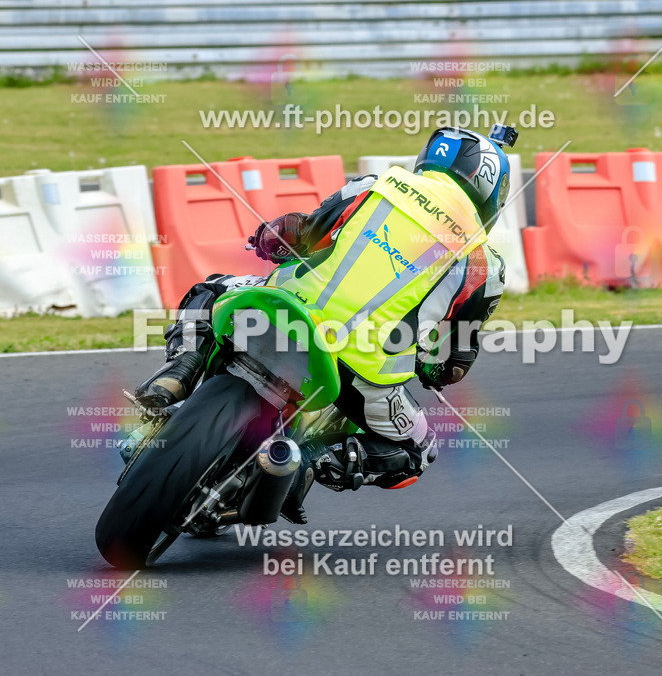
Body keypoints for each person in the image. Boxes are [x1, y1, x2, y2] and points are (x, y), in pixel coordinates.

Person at [136, 125, 517, 523]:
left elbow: (300, 232)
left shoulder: (376, 185)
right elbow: (453, 359)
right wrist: (432, 368)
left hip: (287, 305)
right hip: (361, 366)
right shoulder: (484, 264)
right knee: (418, 451)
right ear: (491, 189)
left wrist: (269, 239)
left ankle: (178, 372)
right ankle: (307, 462)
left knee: (211, 290)